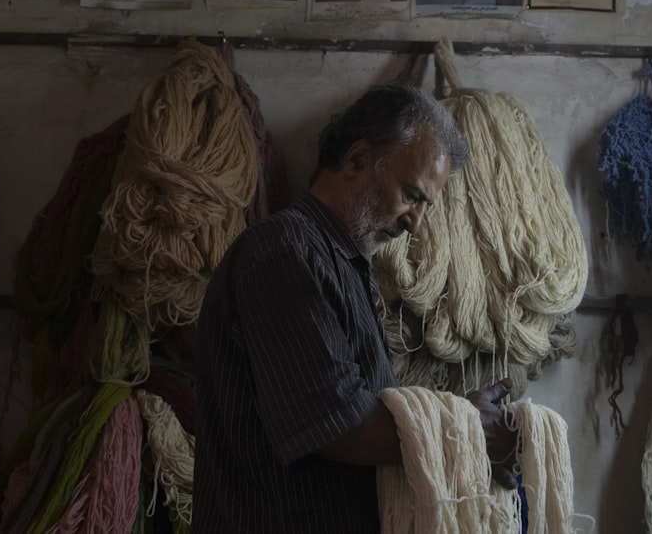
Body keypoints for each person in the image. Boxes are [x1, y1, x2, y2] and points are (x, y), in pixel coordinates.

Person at [192, 83, 518, 533]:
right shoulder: (283, 255)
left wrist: (463, 425)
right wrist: (466, 427)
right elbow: (340, 427)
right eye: (411, 195)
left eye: (425, 206)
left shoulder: (339, 263)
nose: (415, 223)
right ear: (356, 160)